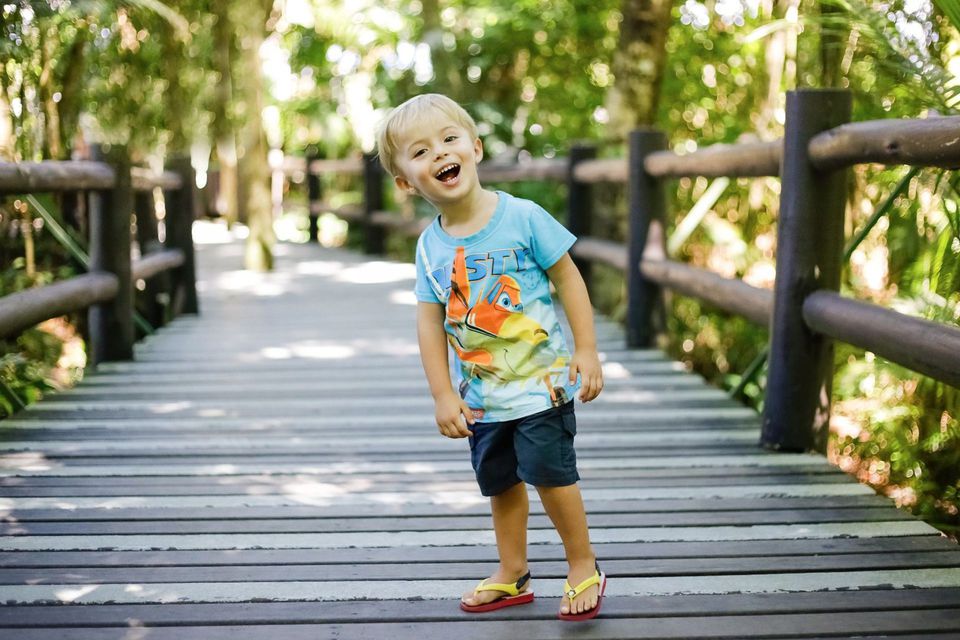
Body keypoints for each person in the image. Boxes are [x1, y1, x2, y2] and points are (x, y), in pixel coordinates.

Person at [376, 94, 606, 621]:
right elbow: (429, 320)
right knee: (500, 484)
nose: (439, 153)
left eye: (449, 140)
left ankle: (581, 564)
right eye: (420, 151)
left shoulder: (522, 217)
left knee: (552, 476)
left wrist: (587, 349)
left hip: (541, 385)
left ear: (475, 149)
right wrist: (441, 394)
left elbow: (569, 278)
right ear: (407, 184)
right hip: (481, 396)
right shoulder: (430, 247)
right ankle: (513, 572)